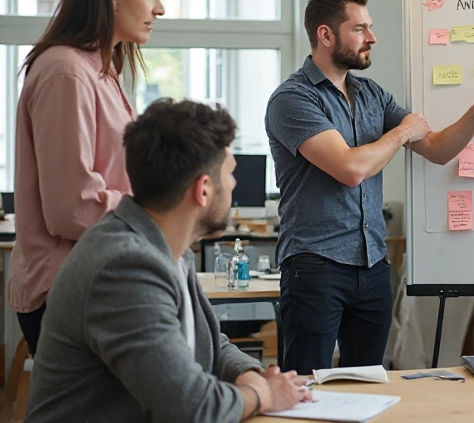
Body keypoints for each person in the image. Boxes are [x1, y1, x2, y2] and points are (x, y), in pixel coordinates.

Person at [266, 0, 474, 373]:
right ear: (325, 35)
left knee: (368, 381)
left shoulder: (371, 94)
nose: (372, 37)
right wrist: (401, 133)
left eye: (369, 27)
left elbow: (436, 148)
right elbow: (350, 168)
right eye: (360, 29)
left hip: (372, 266)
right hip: (315, 266)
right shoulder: (293, 99)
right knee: (304, 386)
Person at [27, 100, 312, 422]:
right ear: (203, 190)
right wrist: (263, 395)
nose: (233, 185)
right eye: (230, 173)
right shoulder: (124, 266)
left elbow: (208, 342)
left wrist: (252, 375)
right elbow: (190, 407)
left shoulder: (166, 246)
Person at [9, 0, 164, 355]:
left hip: (98, 274)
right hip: (66, 285)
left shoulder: (102, 69)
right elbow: (71, 207)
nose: (160, 8)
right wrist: (157, 211)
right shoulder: (67, 71)